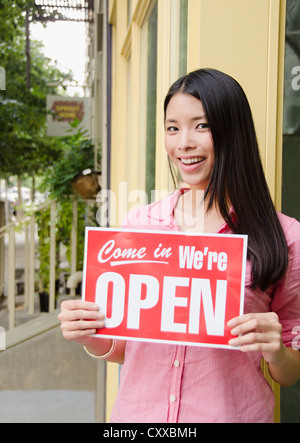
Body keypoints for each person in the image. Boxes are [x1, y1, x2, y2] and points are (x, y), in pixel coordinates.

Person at [58, 68, 300, 423]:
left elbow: (289, 372)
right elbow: (125, 348)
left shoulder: (285, 236)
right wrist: (89, 334)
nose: (183, 142)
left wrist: (276, 350)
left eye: (201, 125)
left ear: (233, 131)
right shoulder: (140, 226)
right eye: (173, 127)